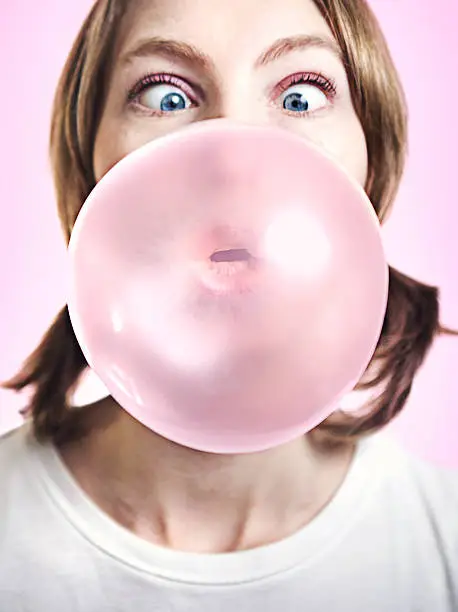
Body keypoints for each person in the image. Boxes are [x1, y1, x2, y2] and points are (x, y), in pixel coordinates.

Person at [1, 0, 457, 609]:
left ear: (371, 168)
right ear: (90, 169)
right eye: (166, 95)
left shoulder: (443, 542)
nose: (232, 155)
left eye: (301, 95)